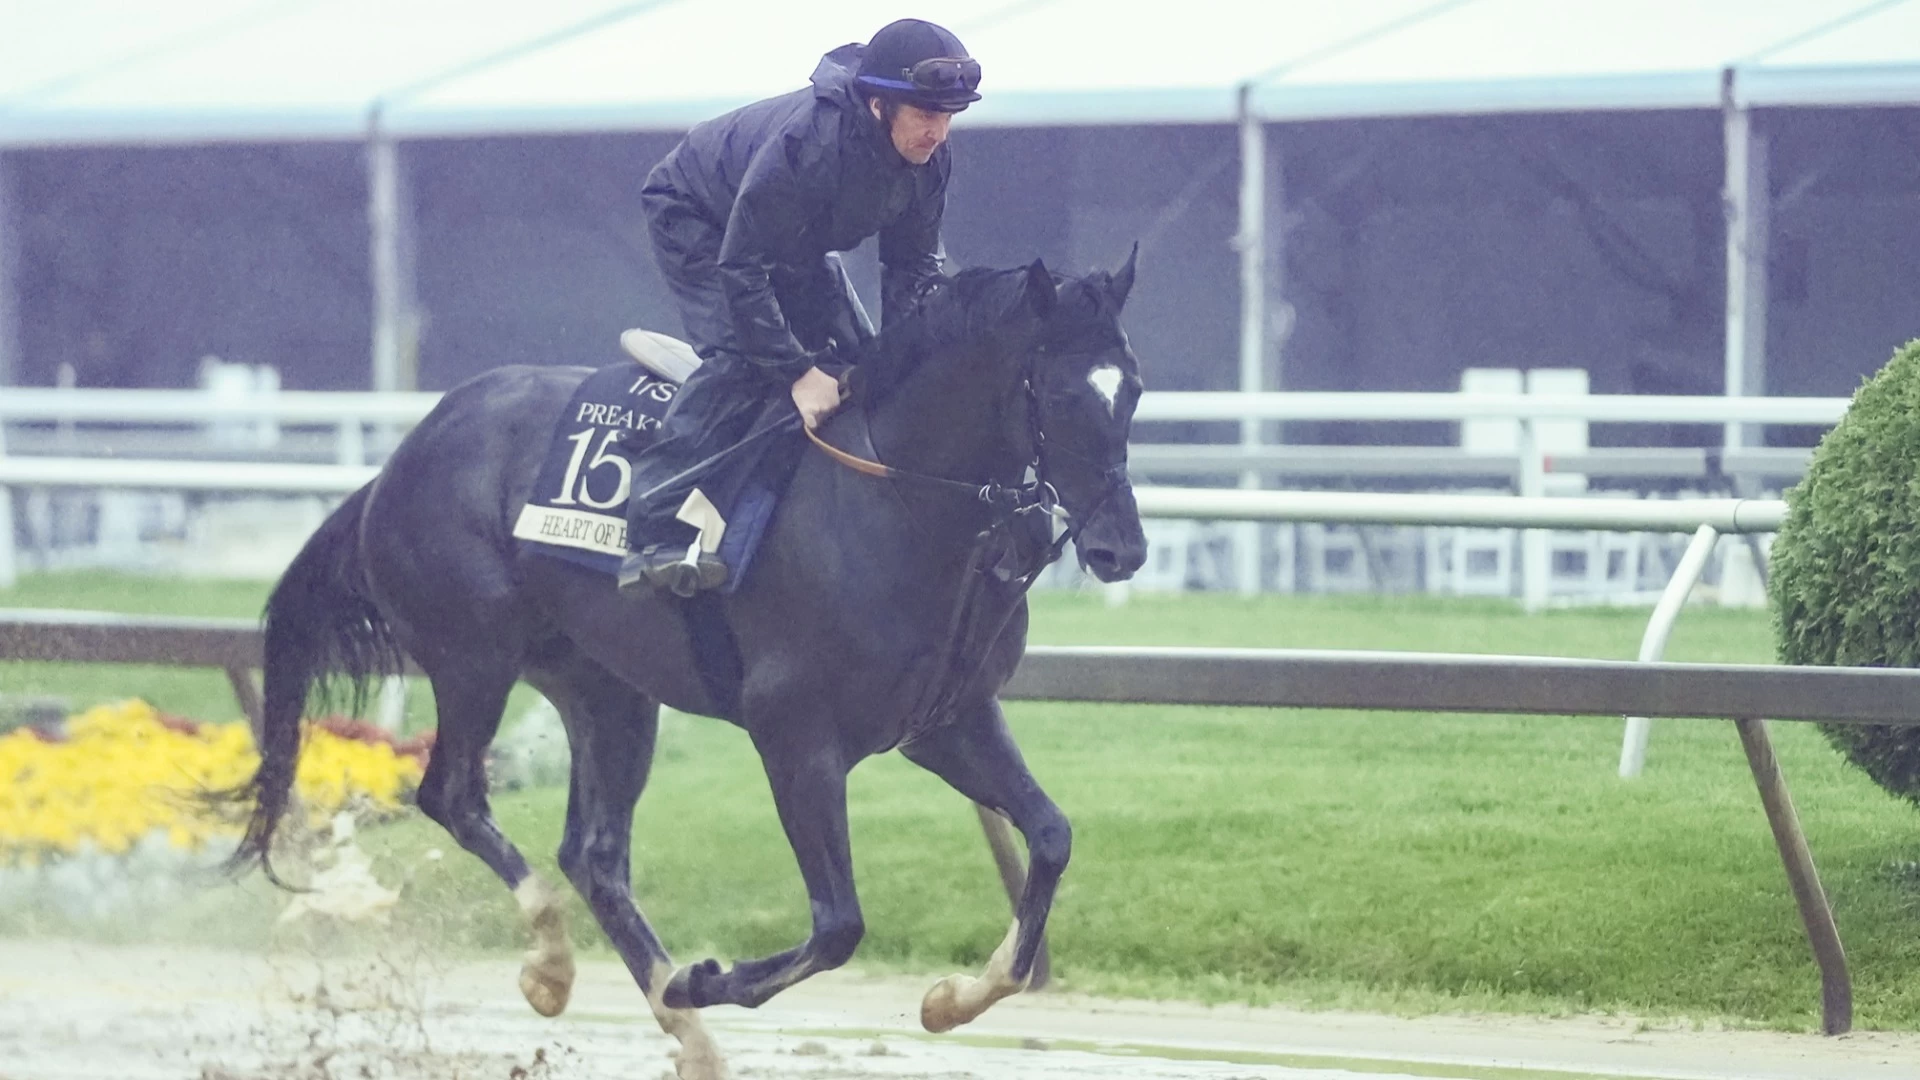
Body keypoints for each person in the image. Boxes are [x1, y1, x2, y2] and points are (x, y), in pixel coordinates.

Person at [616, 18, 982, 598]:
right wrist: (795, 371)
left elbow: (912, 271)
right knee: (743, 356)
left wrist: (906, 360)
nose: (938, 132)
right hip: (698, 215)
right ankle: (652, 531)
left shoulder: (931, 159)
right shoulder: (808, 145)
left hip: (792, 242)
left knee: (864, 362)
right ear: (878, 105)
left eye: (948, 116)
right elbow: (740, 267)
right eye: (925, 115)